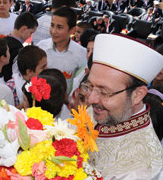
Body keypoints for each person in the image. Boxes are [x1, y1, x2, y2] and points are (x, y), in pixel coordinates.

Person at [84, 34, 163, 179]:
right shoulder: (100, 108)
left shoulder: (142, 170)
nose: (91, 98)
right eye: (90, 86)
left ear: (137, 95)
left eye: (105, 92)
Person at [37, 7, 87, 94]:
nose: (53, 31)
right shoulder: (41, 47)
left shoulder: (81, 53)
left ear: (72, 30)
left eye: (59, 27)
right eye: (52, 25)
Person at [3, 12, 38, 82]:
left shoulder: (3, 41)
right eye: (30, 32)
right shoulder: (18, 49)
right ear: (23, 29)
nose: (30, 36)